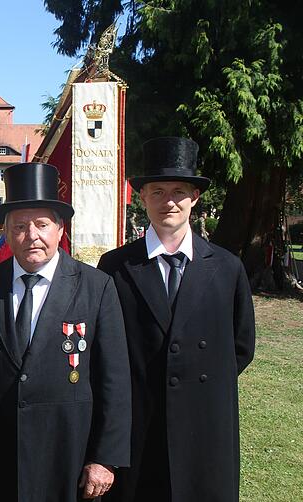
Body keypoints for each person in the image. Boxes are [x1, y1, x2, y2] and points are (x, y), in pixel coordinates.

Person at [0, 162, 131, 502]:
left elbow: (115, 380)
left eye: (42, 224)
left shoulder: (97, 288)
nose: (31, 235)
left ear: (60, 229)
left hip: (67, 454)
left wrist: (105, 457)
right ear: (6, 231)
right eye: (19, 226)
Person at [97, 137, 255, 502]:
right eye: (157, 191)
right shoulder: (116, 266)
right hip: (140, 421)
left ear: (194, 198)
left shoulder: (227, 268)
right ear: (142, 197)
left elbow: (241, 346)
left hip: (205, 421)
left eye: (179, 191)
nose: (168, 201)